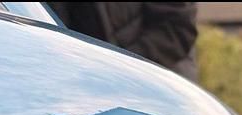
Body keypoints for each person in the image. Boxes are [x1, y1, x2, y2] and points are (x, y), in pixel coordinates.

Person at [47, 2, 198, 80]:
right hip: (91, 91)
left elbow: (175, 30)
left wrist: (115, 67)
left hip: (162, 88)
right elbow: (56, 35)